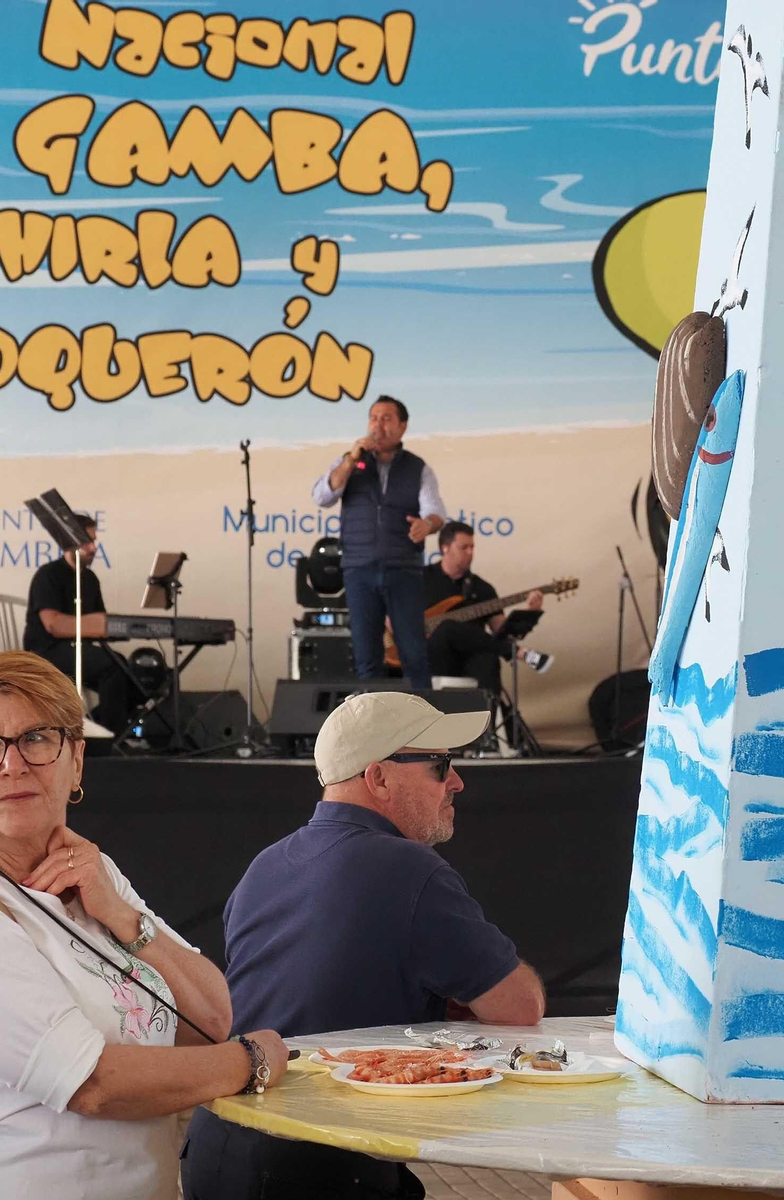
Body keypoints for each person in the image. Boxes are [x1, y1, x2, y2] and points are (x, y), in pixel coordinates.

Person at [0, 650, 287, 1199]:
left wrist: (122, 916)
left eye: (37, 738)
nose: (12, 764)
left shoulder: (92, 873)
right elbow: (92, 1084)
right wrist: (250, 1062)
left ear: (76, 760)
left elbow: (211, 1019)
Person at [182, 691, 546, 1200]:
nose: (457, 781)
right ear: (378, 778)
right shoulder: (410, 869)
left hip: (216, 1145)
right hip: (319, 1161)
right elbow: (520, 1008)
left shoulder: (266, 864)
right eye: (440, 766)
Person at [311, 396, 446, 690]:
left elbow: (436, 513)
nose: (377, 425)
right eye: (373, 418)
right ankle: (371, 719)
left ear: (402, 426)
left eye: (386, 419)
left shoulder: (418, 468)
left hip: (404, 570)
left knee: (413, 655)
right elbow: (322, 496)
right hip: (359, 570)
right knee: (366, 658)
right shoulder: (350, 461)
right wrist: (351, 459)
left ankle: (423, 719)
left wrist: (427, 525)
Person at [23, 513, 133, 733]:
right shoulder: (48, 575)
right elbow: (54, 625)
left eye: (94, 541)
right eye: (87, 542)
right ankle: (111, 737)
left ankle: (98, 729)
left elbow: (101, 623)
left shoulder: (90, 579)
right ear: (69, 542)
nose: (93, 548)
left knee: (135, 673)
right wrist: (97, 625)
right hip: (47, 651)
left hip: (80, 649)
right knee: (114, 668)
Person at [424, 521, 553, 693]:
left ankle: (491, 709)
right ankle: (518, 653)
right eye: (464, 547)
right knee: (447, 627)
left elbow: (502, 632)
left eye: (472, 547)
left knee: (488, 659)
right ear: (445, 548)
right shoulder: (421, 579)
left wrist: (530, 613)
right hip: (433, 655)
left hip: (470, 658)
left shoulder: (482, 588)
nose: (470, 552)